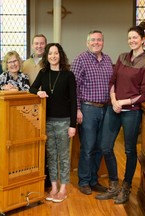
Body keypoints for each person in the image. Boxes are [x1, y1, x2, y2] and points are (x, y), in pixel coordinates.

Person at [95, 22, 145, 204]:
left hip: (131, 112)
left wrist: (123, 102)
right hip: (115, 109)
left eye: (135, 37)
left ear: (142, 40)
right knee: (105, 146)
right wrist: (113, 100)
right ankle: (114, 185)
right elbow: (112, 81)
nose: (132, 40)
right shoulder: (121, 58)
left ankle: (126, 187)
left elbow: (144, 94)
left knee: (129, 150)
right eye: (129, 38)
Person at [29, 43, 77, 203]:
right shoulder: (43, 73)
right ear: (47, 56)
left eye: (56, 53)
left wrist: (72, 125)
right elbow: (32, 88)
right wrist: (39, 92)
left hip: (64, 122)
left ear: (60, 55)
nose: (53, 56)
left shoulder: (68, 75)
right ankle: (54, 187)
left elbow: (73, 102)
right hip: (47, 121)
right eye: (50, 53)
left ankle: (63, 188)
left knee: (63, 156)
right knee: (50, 155)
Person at [71, 30, 113, 195]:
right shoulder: (80, 59)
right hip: (87, 109)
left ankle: (94, 180)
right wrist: (77, 110)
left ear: (103, 42)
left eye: (99, 40)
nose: (96, 42)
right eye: (93, 40)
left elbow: (112, 84)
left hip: (106, 109)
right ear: (87, 43)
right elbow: (73, 88)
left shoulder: (108, 59)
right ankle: (84, 181)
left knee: (100, 147)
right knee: (88, 147)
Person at [22, 34, 51, 188]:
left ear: (45, 45)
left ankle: (45, 175)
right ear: (32, 45)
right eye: (36, 43)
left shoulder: (49, 62)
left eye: (42, 43)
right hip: (28, 107)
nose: (39, 46)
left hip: (45, 104)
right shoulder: (24, 64)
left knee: (44, 140)